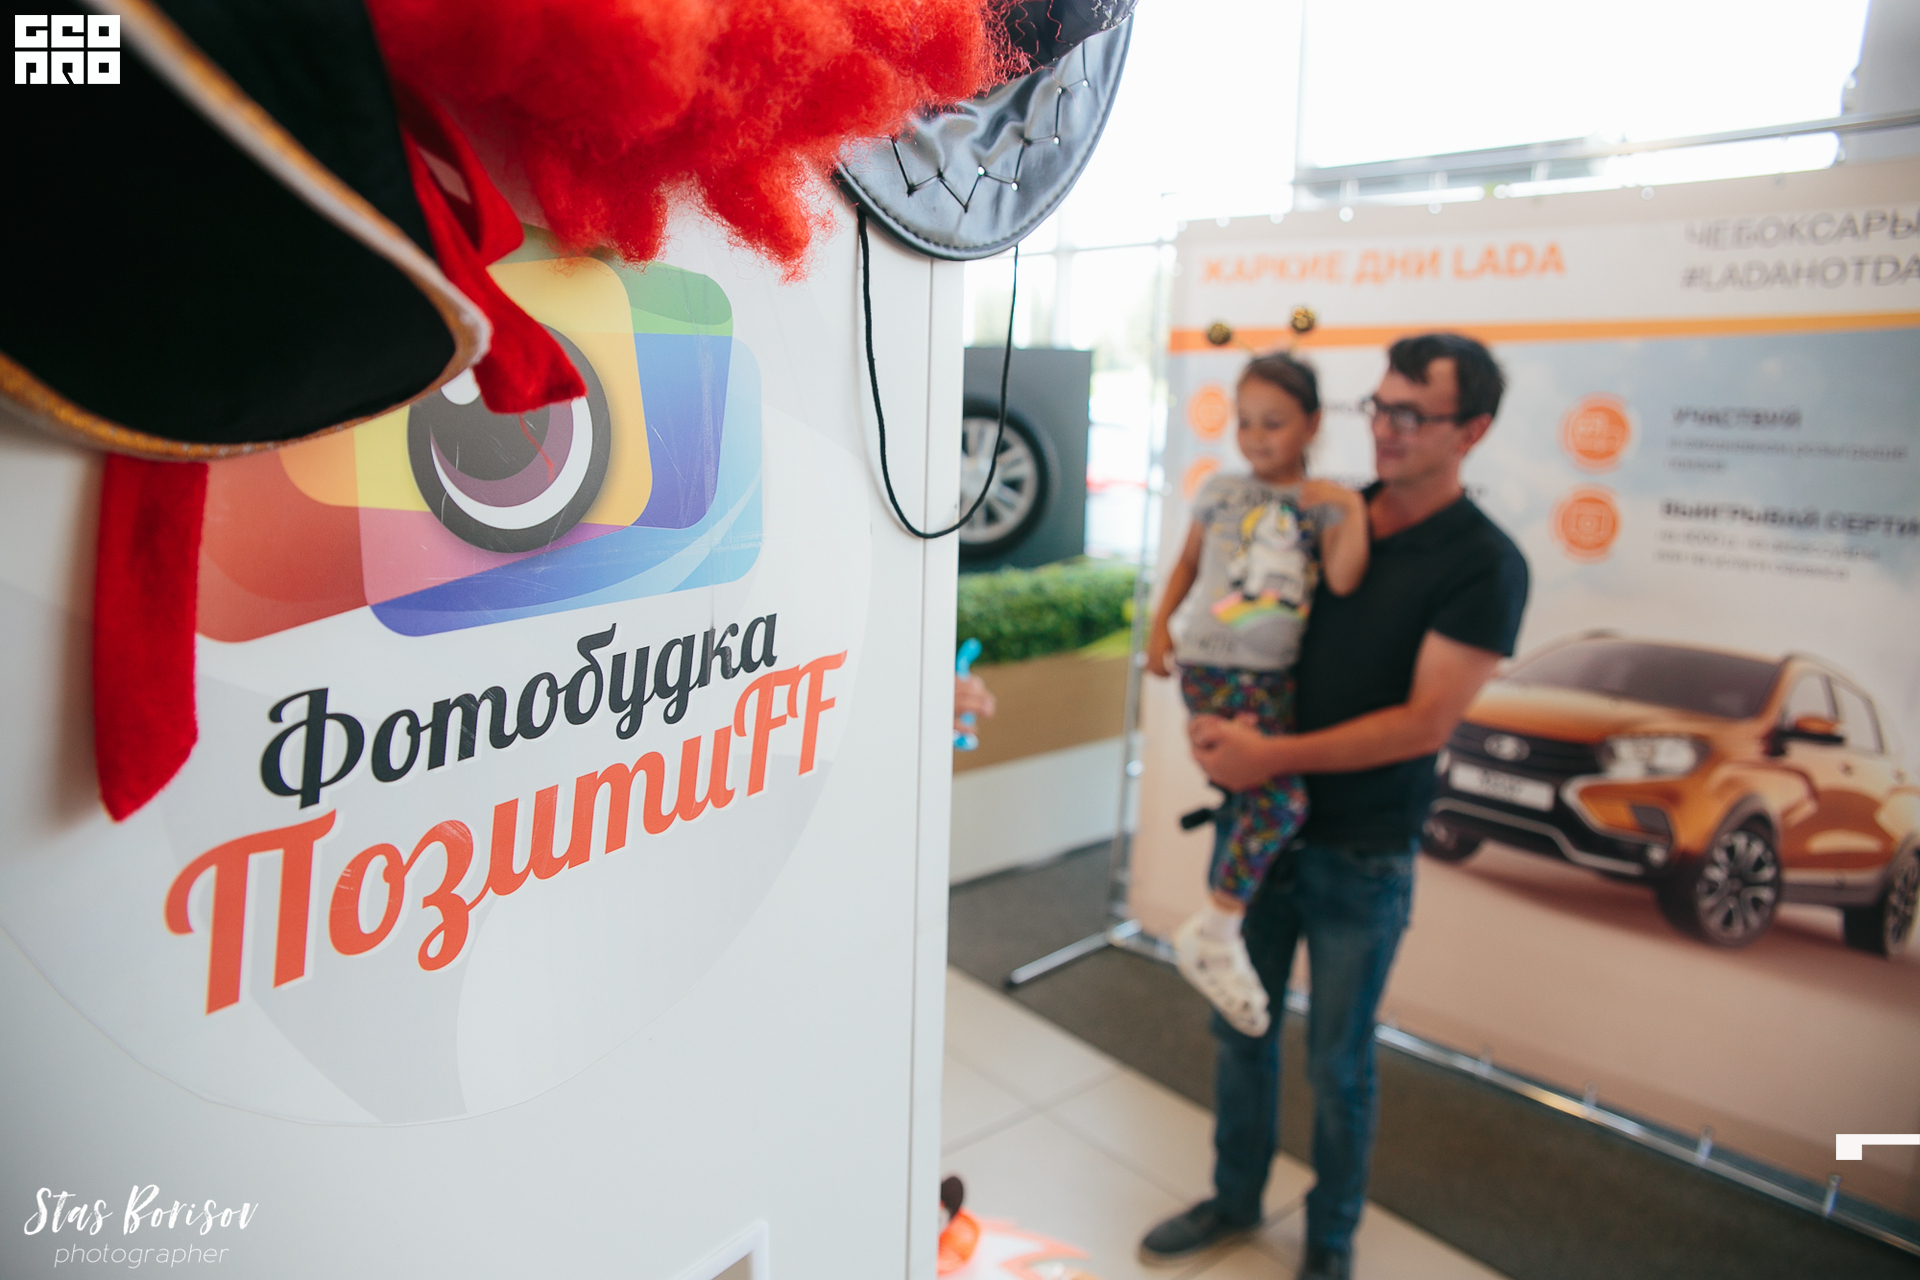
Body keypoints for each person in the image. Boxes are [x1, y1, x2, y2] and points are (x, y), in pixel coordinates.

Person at [1139, 334, 1529, 1280]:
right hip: (1257, 825)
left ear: (1472, 430)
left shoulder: (1485, 563)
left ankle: (1330, 1242)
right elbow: (1241, 614)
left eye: (1414, 414)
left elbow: (1423, 723)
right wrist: (1218, 726)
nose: (1387, 428)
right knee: (1238, 1029)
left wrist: (1269, 757)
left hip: (1362, 847)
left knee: (1338, 1063)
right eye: (1381, 406)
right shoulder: (1319, 507)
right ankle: (1235, 1198)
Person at [1143, 353, 1367, 1036]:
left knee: (1266, 799)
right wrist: (1159, 627)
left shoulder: (1322, 501)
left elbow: (1345, 580)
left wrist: (1350, 508)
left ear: (1312, 424)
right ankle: (1217, 930)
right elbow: (1187, 562)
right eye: (1245, 423)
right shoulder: (1220, 490)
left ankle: (1221, 929)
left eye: (1274, 423)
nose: (1256, 437)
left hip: (1274, 678)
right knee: (1281, 800)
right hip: (1213, 666)